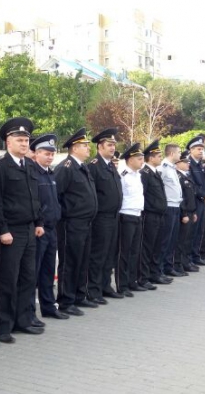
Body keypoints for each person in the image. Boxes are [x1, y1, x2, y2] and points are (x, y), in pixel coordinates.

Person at [0, 117, 45, 343]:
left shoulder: (30, 165)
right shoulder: (0, 167)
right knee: (7, 280)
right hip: (10, 232)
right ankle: (3, 326)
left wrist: (39, 222)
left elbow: (36, 197)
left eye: (26, 140)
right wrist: (3, 229)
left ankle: (23, 319)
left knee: (27, 277)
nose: (24, 144)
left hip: (30, 229)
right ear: (8, 142)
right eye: (20, 140)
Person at [54, 128, 98, 315]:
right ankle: (66, 300)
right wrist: (66, 216)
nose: (88, 148)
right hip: (71, 223)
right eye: (85, 145)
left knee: (82, 260)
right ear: (74, 148)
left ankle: (79, 296)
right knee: (70, 261)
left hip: (85, 222)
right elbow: (56, 195)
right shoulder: (66, 167)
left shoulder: (82, 166)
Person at [30, 134, 66, 318]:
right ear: (36, 154)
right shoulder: (33, 173)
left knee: (48, 271)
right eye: (46, 153)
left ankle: (49, 307)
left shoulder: (50, 173)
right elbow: (34, 202)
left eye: (52, 154)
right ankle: (30, 313)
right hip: (39, 229)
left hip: (52, 228)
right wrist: (40, 222)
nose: (50, 157)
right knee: (33, 273)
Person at [87, 128, 124, 302]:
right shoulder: (94, 166)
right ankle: (93, 290)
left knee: (110, 253)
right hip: (101, 218)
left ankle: (105, 285)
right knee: (98, 254)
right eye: (109, 145)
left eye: (114, 144)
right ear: (100, 146)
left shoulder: (110, 166)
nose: (112, 148)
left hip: (113, 217)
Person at [116, 143, 149, 296]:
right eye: (139, 158)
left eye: (142, 158)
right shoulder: (123, 175)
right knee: (124, 251)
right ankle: (122, 285)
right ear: (130, 160)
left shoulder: (138, 175)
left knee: (135, 251)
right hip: (126, 215)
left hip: (137, 214)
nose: (142, 161)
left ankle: (132, 281)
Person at [139, 139, 169, 287]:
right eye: (158, 156)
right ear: (150, 157)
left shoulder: (155, 172)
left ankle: (155, 273)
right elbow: (142, 194)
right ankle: (144, 277)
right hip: (149, 215)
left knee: (157, 246)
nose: (160, 158)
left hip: (159, 215)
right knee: (147, 247)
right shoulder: (145, 173)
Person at [158, 144, 184, 276]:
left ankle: (168, 266)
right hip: (168, 207)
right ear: (172, 154)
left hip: (176, 206)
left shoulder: (173, 168)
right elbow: (159, 186)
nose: (181, 154)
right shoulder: (163, 167)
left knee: (172, 240)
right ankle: (160, 269)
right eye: (179, 152)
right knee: (165, 240)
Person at [186, 135, 205, 267]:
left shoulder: (201, 164)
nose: (201, 151)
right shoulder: (188, 164)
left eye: (202, 148)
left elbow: (203, 183)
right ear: (191, 150)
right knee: (192, 231)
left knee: (199, 230)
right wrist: (203, 195)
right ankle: (188, 259)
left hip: (202, 201)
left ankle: (195, 256)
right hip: (194, 201)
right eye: (198, 149)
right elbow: (192, 185)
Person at [174, 150, 199, 274]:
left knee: (188, 239)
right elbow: (181, 197)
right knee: (181, 241)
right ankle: (178, 264)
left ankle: (186, 261)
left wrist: (193, 212)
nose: (188, 164)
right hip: (184, 213)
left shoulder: (186, 175)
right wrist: (184, 214)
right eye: (185, 162)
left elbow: (191, 196)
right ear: (178, 163)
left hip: (190, 212)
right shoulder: (177, 176)